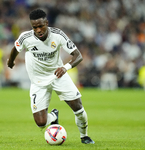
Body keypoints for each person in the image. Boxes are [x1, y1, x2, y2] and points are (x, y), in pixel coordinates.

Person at [7, 8, 94, 144]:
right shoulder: (26, 37)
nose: (38, 30)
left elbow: (78, 56)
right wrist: (11, 61)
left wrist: (65, 68)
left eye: (41, 26)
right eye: (35, 27)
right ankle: (53, 116)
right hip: (38, 81)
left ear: (47, 23)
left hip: (58, 75)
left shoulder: (58, 35)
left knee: (78, 107)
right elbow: (15, 49)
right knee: (41, 123)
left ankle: (85, 136)